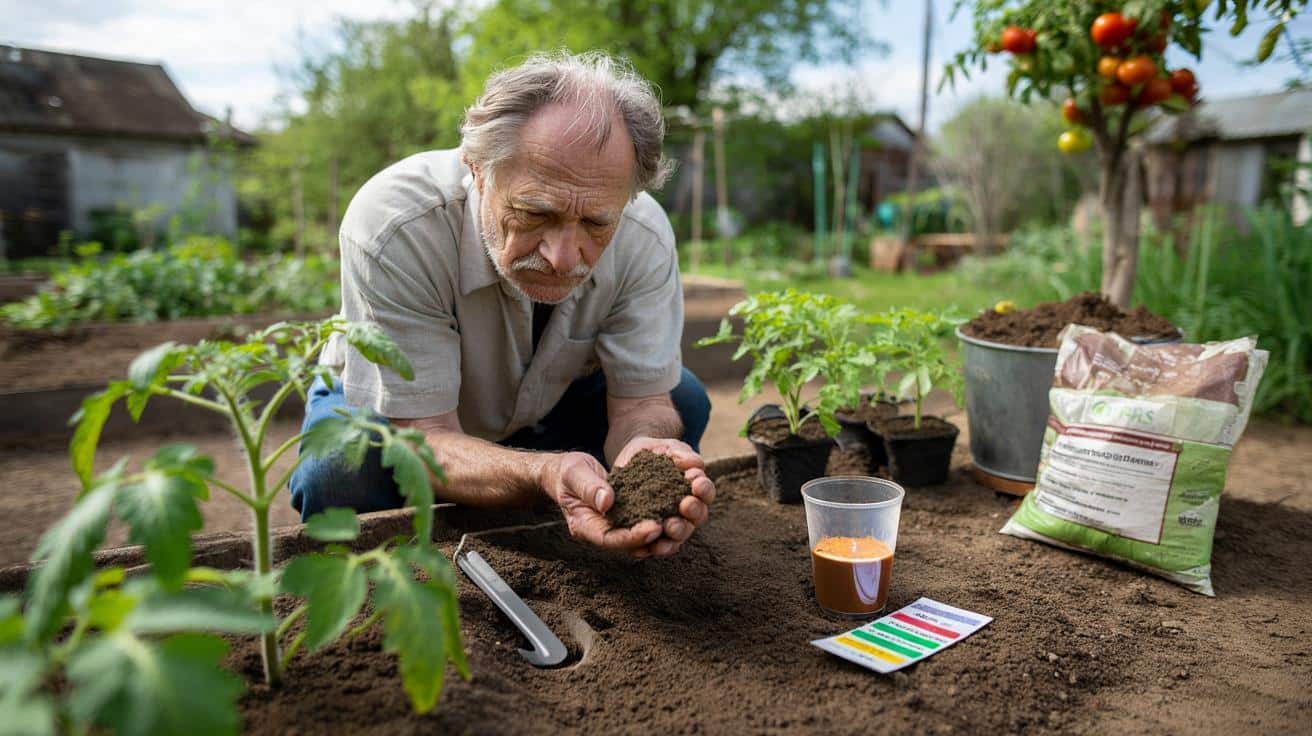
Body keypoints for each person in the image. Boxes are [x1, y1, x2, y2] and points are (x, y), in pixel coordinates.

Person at [289, 52, 716, 559]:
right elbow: (424, 437)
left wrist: (644, 448)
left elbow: (642, 404)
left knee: (682, 401)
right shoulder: (397, 225)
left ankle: (556, 497)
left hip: (550, 403)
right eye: (535, 213)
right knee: (337, 472)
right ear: (477, 170)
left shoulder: (644, 233)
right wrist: (543, 472)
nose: (563, 258)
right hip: (404, 414)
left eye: (596, 223)